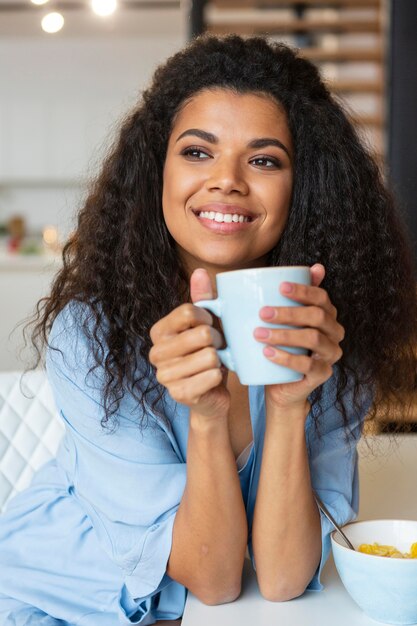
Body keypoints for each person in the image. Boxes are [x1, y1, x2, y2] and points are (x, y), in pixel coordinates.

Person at [1, 34, 416, 626]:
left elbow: (281, 577)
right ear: (157, 171)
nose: (227, 180)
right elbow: (214, 579)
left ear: (304, 186)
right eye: (197, 152)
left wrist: (292, 404)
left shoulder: (325, 338)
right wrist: (206, 416)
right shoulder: (93, 334)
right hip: (54, 602)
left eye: (264, 159)